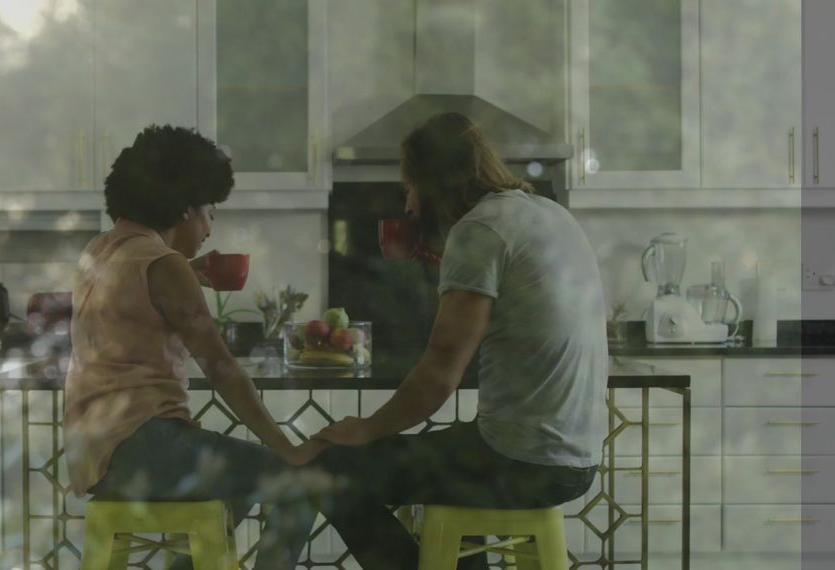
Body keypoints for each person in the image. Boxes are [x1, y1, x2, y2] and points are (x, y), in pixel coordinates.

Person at [310, 112, 608, 570]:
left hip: (523, 461)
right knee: (452, 468)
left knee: (330, 470)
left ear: (432, 183)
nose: (408, 204)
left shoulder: (480, 230)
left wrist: (365, 428)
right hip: (577, 457)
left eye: (410, 186)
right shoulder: (545, 211)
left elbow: (438, 375)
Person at [63, 125, 324, 570]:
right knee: (295, 482)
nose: (212, 221)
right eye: (210, 208)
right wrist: (286, 447)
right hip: (143, 442)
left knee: (229, 488)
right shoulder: (163, 265)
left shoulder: (101, 250)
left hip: (92, 451)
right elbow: (221, 367)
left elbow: (137, 296)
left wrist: (185, 271)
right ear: (185, 208)